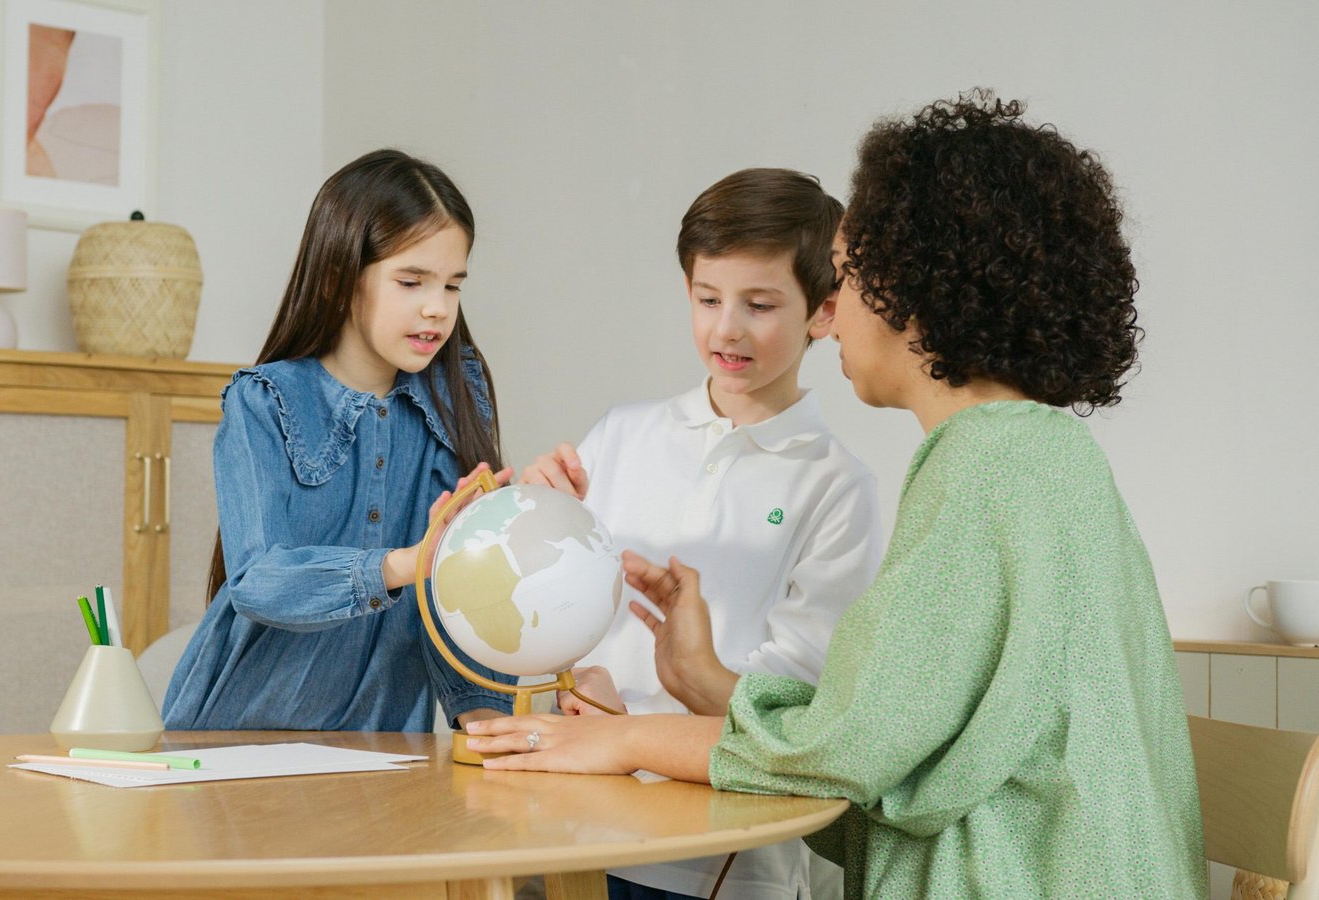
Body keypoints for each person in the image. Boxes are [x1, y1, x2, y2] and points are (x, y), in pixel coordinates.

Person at [468, 91, 1208, 898]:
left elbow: (846, 752)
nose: (835, 316)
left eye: (848, 280)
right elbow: (889, 729)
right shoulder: (1049, 458)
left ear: (914, 293)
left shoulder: (984, 471)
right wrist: (702, 680)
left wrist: (625, 741)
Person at [519, 169, 883, 900]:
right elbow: (540, 622)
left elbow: (794, 712)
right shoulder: (621, 435)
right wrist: (531, 515)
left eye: (760, 304)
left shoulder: (837, 485)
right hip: (576, 832)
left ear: (824, 311)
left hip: (727, 861)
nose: (726, 329)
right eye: (708, 298)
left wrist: (638, 721)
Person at [163, 149, 514, 733]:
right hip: (236, 738)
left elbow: (460, 593)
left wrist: (485, 720)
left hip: (383, 747)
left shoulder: (456, 397)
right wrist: (402, 565)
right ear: (338, 279)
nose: (437, 308)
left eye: (453, 286)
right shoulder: (264, 401)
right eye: (411, 281)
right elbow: (257, 581)